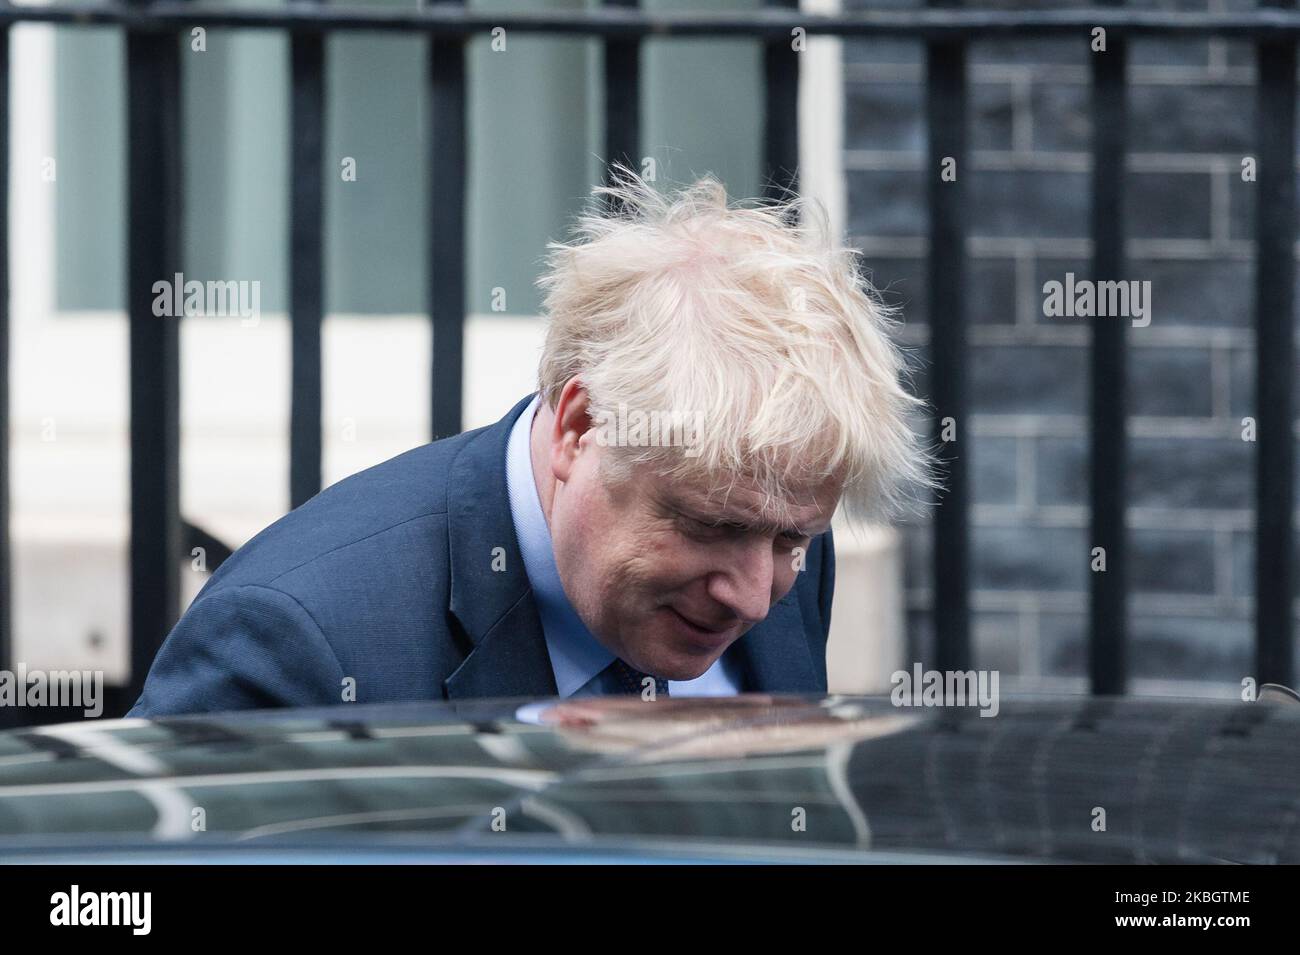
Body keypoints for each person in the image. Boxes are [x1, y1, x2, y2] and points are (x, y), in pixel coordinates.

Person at [127, 167, 929, 716]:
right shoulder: (297, 643)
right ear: (580, 428)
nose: (753, 596)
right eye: (709, 525)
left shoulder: (774, 541)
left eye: (793, 538)